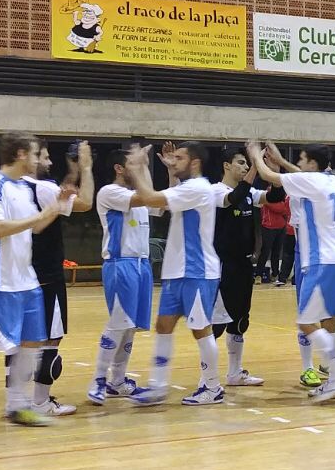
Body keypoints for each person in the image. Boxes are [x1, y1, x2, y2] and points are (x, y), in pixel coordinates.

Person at [0, 131, 74, 440]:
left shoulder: (24, 188)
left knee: (30, 345)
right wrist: (41, 214)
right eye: (37, 153)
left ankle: (17, 405)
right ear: (22, 154)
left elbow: (36, 226)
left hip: (26, 280)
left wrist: (53, 209)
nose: (40, 160)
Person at [250, 140, 335, 402]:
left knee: (305, 322)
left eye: (302, 160)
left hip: (320, 260)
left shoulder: (312, 182)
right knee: (329, 321)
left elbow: (270, 177)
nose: (299, 164)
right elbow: (298, 176)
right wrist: (282, 162)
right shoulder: (333, 182)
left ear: (312, 164)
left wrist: (256, 155)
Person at [122, 142, 228, 406]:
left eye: (179, 158)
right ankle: (158, 386)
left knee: (200, 329)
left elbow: (154, 199)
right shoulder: (186, 188)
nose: (174, 160)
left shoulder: (199, 188)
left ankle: (213, 386)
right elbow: (167, 198)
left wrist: (136, 168)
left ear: (194, 163)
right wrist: (168, 171)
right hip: (177, 271)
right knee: (163, 325)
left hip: (198, 271)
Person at [22, 141, 93, 417]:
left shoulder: (17, 187)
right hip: (48, 274)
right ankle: (40, 401)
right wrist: (86, 168)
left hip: (25, 273)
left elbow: (57, 196)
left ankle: (15, 401)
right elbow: (84, 203)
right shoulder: (44, 188)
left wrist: (72, 175)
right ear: (31, 158)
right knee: (52, 338)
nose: (50, 162)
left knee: (24, 341)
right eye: (46, 157)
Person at [88, 145, 153, 404]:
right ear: (119, 168)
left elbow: (158, 202)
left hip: (142, 265)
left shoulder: (139, 197)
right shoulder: (109, 192)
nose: (136, 167)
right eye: (131, 164)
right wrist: (142, 168)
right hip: (120, 264)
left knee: (130, 329)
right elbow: (147, 196)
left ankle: (118, 380)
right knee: (117, 323)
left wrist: (167, 171)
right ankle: (98, 380)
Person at [208, 144, 267, 388]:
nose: (244, 167)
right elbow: (234, 198)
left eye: (246, 163)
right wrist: (256, 164)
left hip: (244, 265)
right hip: (223, 266)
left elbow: (272, 197)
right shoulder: (215, 191)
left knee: (240, 321)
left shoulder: (250, 194)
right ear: (226, 166)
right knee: (216, 324)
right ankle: (208, 378)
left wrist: (270, 170)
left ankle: (234, 373)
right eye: (241, 163)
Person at [257, 191, 293, 286]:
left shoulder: (284, 194)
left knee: (276, 252)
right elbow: (279, 207)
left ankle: (275, 274)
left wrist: (279, 206)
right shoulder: (267, 193)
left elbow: (285, 209)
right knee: (265, 251)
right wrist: (277, 205)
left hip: (281, 227)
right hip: (268, 227)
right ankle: (258, 275)